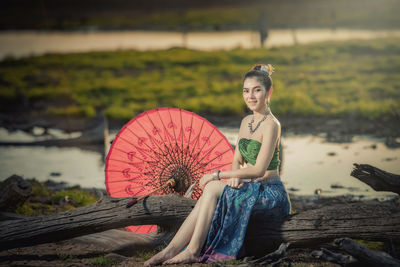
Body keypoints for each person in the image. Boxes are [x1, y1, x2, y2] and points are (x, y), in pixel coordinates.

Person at [144, 64, 291, 266]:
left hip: (269, 193)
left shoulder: (272, 124)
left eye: (257, 90)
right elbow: (237, 160)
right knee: (211, 191)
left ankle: (192, 251)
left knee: (212, 187)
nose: (251, 96)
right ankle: (170, 250)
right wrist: (235, 176)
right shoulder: (246, 122)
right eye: (246, 91)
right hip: (250, 186)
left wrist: (216, 175)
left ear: (269, 92)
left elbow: (259, 170)